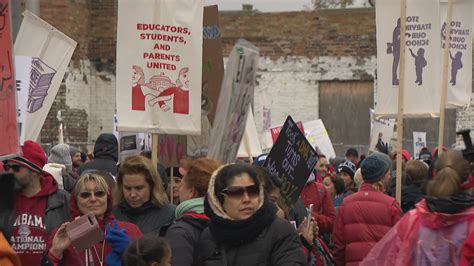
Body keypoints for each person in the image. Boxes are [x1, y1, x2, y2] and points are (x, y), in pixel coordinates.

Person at [361, 150, 474, 265]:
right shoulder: (471, 224)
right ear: (469, 180)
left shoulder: (413, 220)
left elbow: (385, 259)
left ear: (434, 174)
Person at [197, 164, 307, 265]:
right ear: (219, 200)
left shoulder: (280, 231)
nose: (246, 199)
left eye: (253, 191)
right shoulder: (209, 236)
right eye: (236, 192)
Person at [45, 173, 142, 265]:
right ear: (75, 201)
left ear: (108, 198)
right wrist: (55, 253)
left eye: (99, 193)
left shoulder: (130, 230)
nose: (93, 199)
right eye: (85, 195)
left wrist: (133, 254)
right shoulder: (64, 235)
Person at [1, 140, 70, 265]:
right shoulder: (4, 201)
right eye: (7, 167)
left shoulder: (62, 200)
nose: (9, 172)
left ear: (34, 170)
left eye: (16, 168)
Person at [333, 154, 402, 265]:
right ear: (381, 177)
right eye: (388, 174)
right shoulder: (391, 205)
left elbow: (339, 244)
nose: (390, 177)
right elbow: (400, 244)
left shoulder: (346, 204)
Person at [164, 158, 221, 265]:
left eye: (181, 183)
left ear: (191, 191)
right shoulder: (230, 222)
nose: (179, 188)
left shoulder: (180, 231)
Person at [113, 156, 175, 234]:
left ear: (151, 186)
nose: (133, 194)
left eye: (139, 188)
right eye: (128, 188)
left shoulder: (169, 215)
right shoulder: (113, 214)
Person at [301, 170, 337, 235]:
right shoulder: (281, 185)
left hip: (311, 240)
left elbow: (332, 221)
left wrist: (311, 216)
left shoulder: (320, 189)